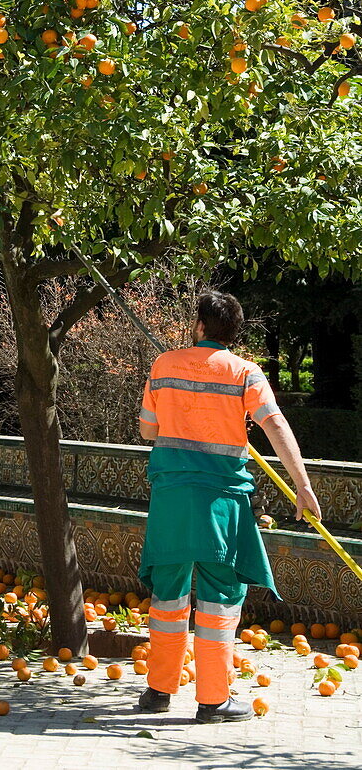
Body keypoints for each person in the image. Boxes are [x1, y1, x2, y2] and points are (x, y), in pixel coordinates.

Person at [136, 290, 322, 723]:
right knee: (219, 597)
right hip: (221, 503)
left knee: (168, 594)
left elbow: (148, 431)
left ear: (200, 325)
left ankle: (159, 691)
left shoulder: (163, 365)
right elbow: (275, 423)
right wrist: (303, 485)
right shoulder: (246, 373)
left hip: (171, 501)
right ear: (232, 332)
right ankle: (213, 700)